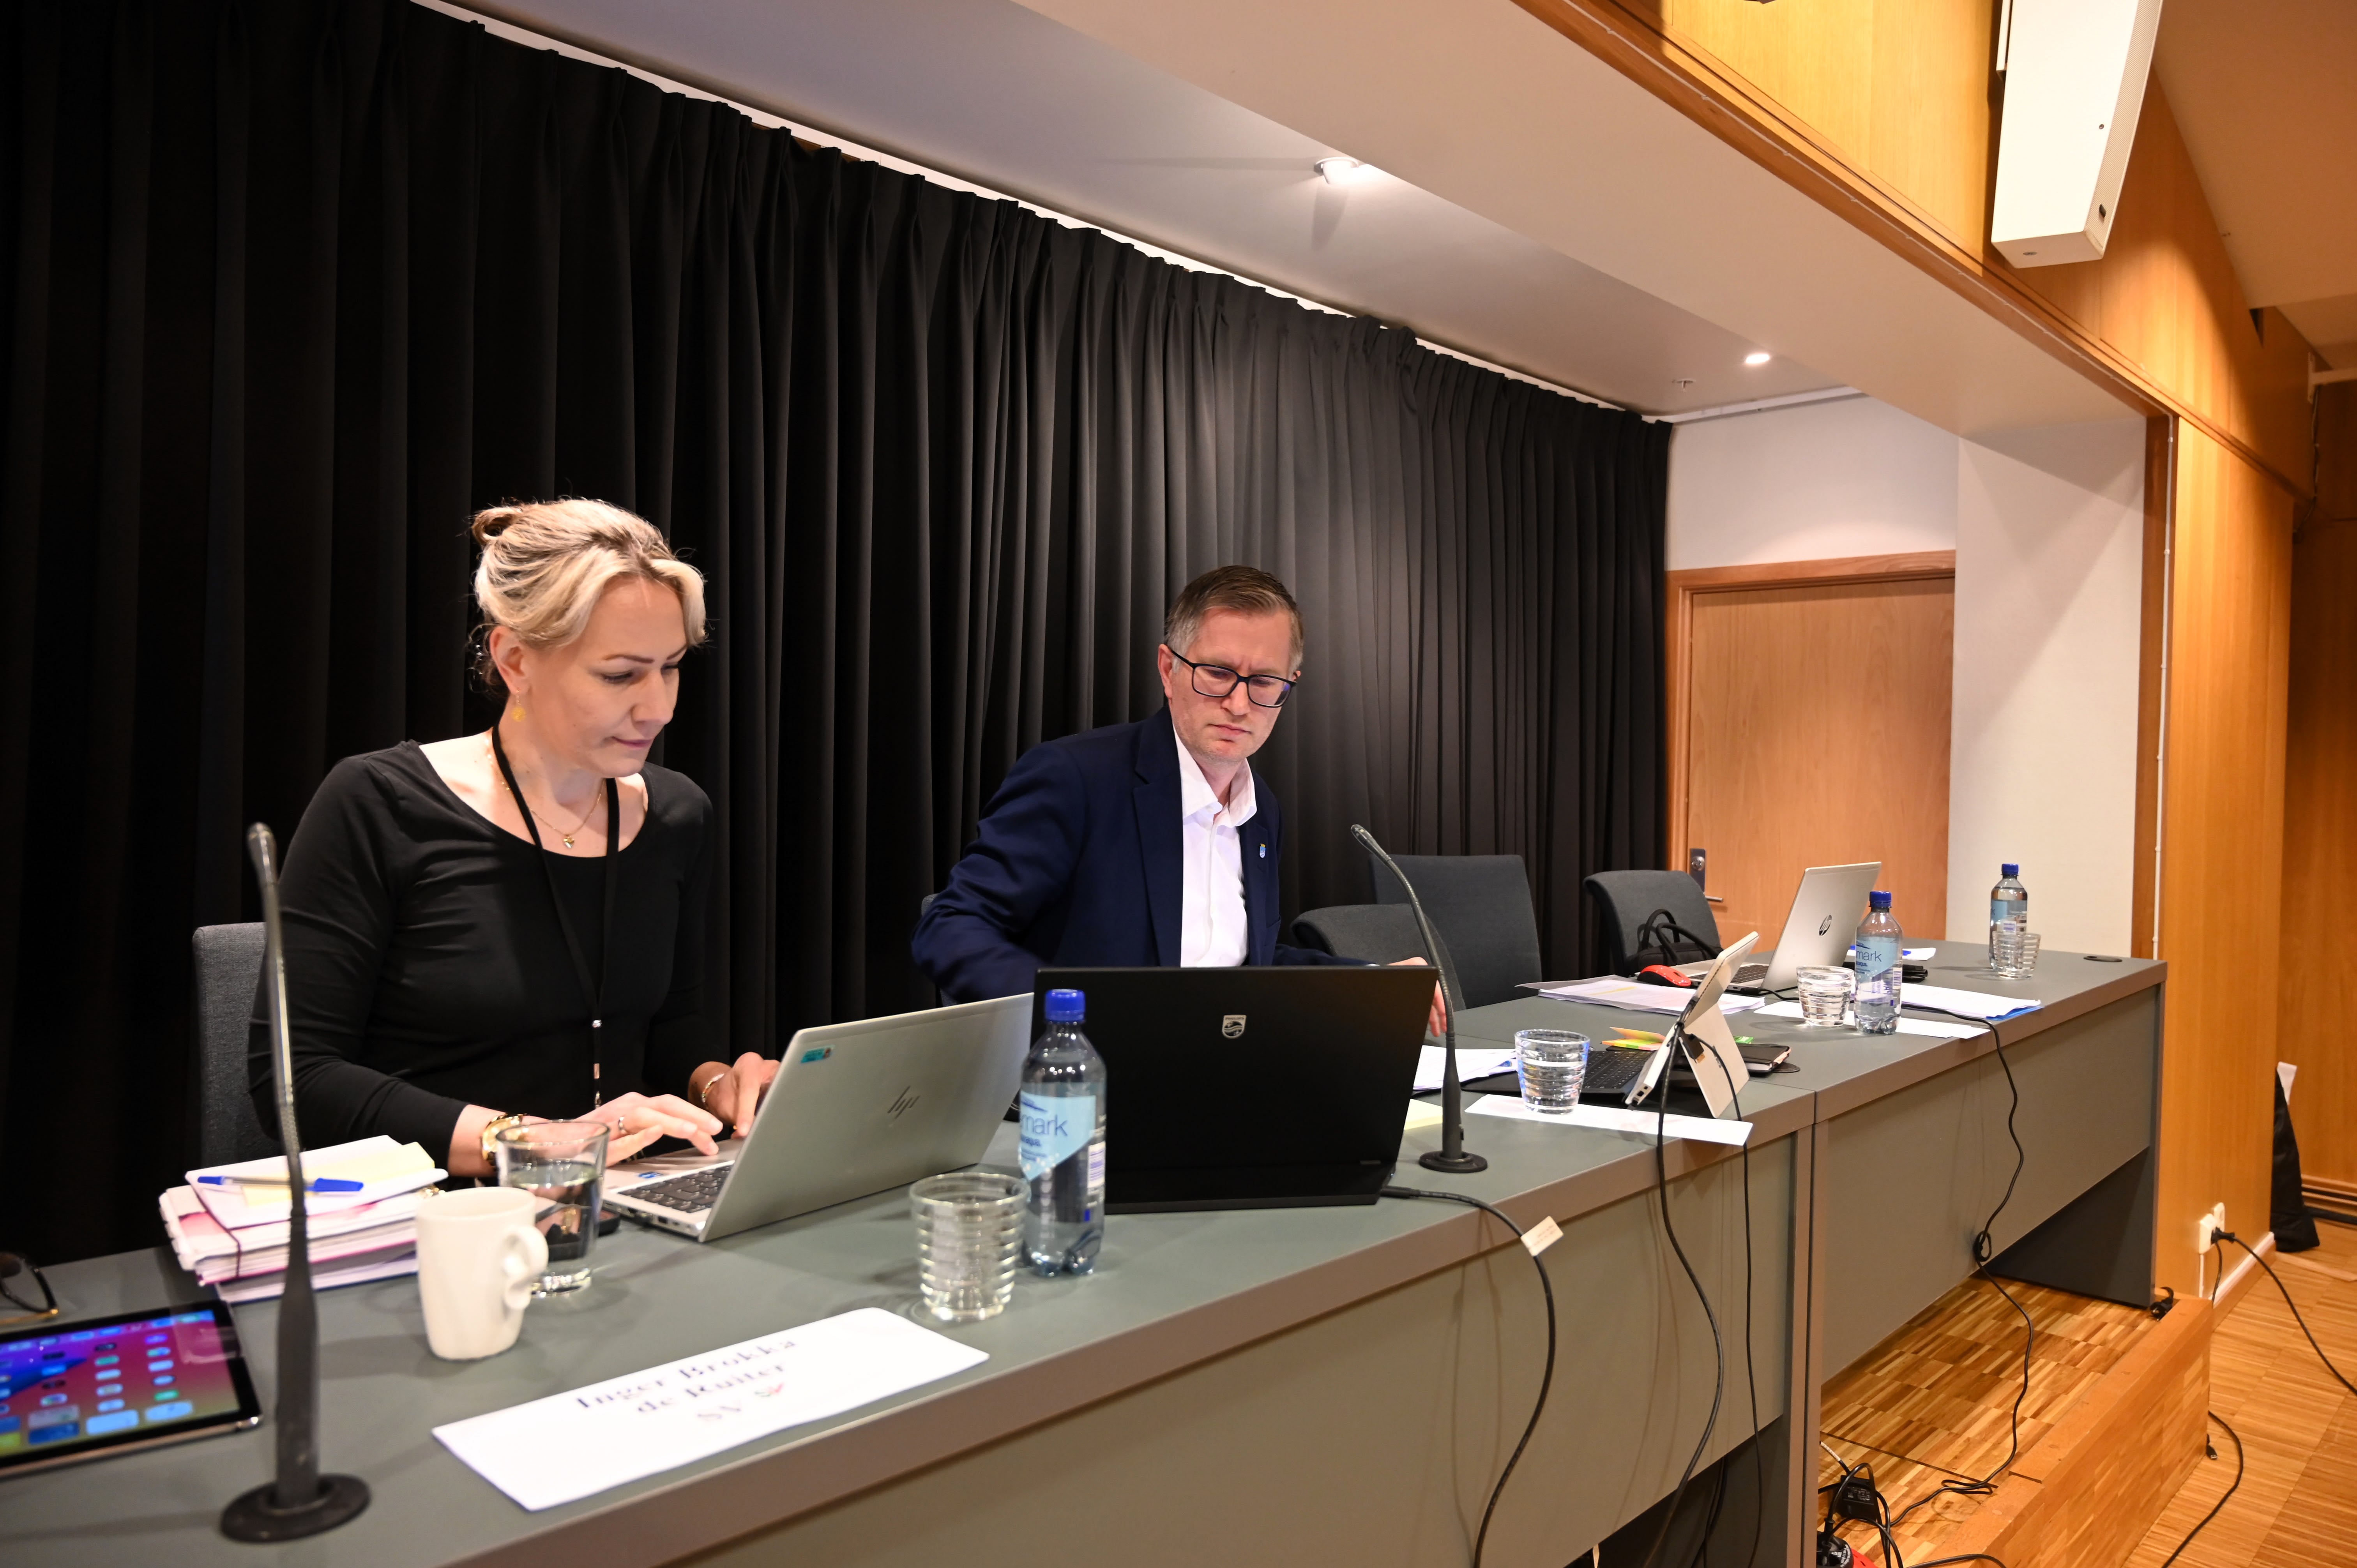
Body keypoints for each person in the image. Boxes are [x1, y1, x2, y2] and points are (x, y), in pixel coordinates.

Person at [251, 500, 780, 1180]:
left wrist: (717, 1085)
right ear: (515, 660)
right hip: (448, 1212)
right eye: (620, 674)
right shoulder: (380, 803)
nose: (659, 708)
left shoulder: (678, 814)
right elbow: (297, 1079)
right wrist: (532, 1141)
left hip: (623, 1196)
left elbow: (670, 1024)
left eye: (671, 667)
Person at [913, 565, 1444, 1029]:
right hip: (1088, 1081)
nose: (1239, 704)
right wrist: (1074, 1014)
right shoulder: (1075, 778)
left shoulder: (1262, 812)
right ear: (1169, 670)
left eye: (1264, 681)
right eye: (1217, 673)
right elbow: (951, 928)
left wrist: (1371, 981)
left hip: (1214, 1070)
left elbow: (1246, 965)